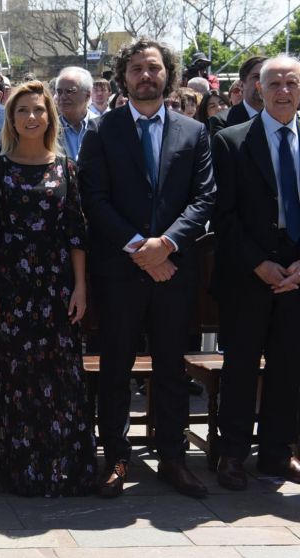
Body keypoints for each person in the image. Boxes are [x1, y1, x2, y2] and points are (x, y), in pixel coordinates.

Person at [77, 38, 215, 500]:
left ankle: (172, 457)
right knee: (115, 368)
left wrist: (167, 245)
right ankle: (115, 455)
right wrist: (141, 248)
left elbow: (203, 198)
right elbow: (93, 197)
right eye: (135, 68)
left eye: (153, 68)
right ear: (123, 76)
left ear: (168, 75)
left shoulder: (193, 132)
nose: (145, 76)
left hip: (175, 271)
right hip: (119, 271)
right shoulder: (102, 131)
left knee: (172, 368)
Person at [0, 81, 96, 497]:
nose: (31, 117)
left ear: (50, 117)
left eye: (38, 110)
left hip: (57, 286)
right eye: (22, 110)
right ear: (11, 118)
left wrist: (80, 288)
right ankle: (21, 468)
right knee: (16, 378)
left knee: (62, 378)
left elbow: (77, 232)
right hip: (11, 287)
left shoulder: (66, 168)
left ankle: (64, 468)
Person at [211, 55, 300, 491]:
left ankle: (277, 454)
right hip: (249, 271)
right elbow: (222, 216)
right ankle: (232, 454)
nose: (284, 91)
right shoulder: (231, 141)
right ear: (257, 90)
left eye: (292, 83)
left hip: (297, 273)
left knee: (288, 366)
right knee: (241, 366)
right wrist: (257, 263)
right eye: (275, 84)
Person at [209, 56, 266, 135]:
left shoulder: (282, 116)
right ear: (241, 85)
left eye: (266, 77)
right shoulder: (222, 121)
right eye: (256, 77)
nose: (261, 82)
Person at [55, 66, 97, 161]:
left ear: (87, 95)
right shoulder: (49, 129)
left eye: (70, 91)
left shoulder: (102, 125)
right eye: (59, 92)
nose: (63, 97)